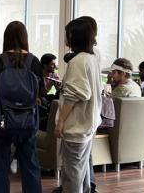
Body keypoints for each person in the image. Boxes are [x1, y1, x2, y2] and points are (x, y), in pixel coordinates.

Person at [0, 21, 43, 193]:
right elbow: (41, 94)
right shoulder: (34, 61)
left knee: (0, 165)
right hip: (28, 121)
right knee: (30, 164)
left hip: (4, 121)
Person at [55, 18, 102, 193]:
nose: (65, 37)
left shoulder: (77, 62)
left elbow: (75, 95)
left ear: (75, 36)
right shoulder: (93, 56)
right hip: (89, 123)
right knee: (81, 172)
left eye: (67, 33)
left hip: (76, 126)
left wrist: (60, 123)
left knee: (71, 173)